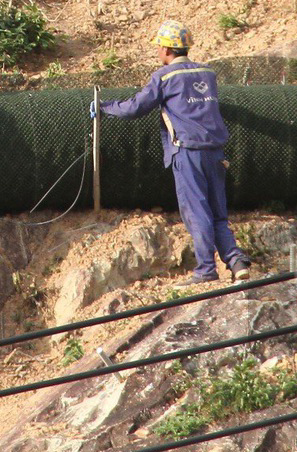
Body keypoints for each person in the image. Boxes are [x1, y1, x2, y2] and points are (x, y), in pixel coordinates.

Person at [94, 20, 250, 285]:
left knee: (196, 211)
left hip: (188, 152)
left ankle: (205, 270)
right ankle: (236, 262)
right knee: (217, 212)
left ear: (167, 49)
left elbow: (136, 107)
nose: (158, 52)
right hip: (215, 151)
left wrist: (106, 107)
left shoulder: (164, 77)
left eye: (159, 47)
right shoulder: (207, 73)